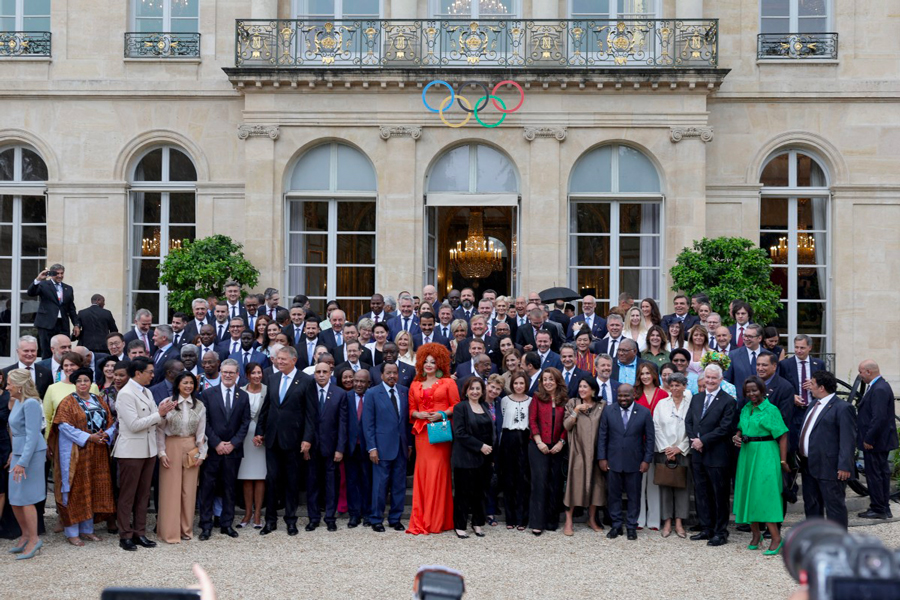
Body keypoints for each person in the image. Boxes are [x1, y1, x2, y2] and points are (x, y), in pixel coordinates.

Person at [113, 357, 177, 551]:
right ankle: (125, 534)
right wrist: (159, 414)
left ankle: (140, 532)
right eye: (149, 371)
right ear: (138, 373)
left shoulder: (147, 391)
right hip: (131, 451)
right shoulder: (125, 394)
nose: (153, 374)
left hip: (148, 449)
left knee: (142, 495)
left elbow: (151, 421)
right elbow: (134, 425)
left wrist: (162, 414)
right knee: (127, 495)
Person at [48, 367, 116, 546]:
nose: (83, 384)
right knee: (75, 488)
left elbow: (111, 421)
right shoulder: (68, 402)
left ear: (91, 382)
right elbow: (63, 426)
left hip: (98, 452)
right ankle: (72, 532)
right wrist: (88, 437)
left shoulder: (98, 399)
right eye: (79, 381)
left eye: (86, 380)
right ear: (74, 383)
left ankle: (87, 530)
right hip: (76, 451)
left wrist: (106, 435)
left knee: (92, 487)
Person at [254, 346, 315, 536]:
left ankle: (290, 520)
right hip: (272, 439)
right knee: (271, 480)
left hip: (294, 440)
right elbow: (267, 408)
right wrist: (259, 431)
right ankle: (270, 521)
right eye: (277, 359)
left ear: (294, 360)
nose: (279, 362)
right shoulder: (272, 379)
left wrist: (307, 439)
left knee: (291, 482)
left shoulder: (306, 381)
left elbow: (311, 414)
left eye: (283, 359)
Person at [732, 376, 789, 555]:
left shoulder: (771, 410)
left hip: (766, 454)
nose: (751, 394)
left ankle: (776, 537)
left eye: (754, 390)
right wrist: (737, 435)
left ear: (762, 390)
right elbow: (741, 428)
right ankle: (756, 535)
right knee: (747, 493)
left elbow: (783, 435)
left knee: (765, 495)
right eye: (748, 391)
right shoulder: (746, 409)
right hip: (747, 455)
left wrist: (783, 460)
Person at [407, 343, 459, 535]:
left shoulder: (448, 383)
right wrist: (418, 415)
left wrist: (442, 414)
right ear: (421, 362)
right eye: (426, 361)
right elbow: (410, 410)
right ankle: (423, 518)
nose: (429, 364)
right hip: (421, 434)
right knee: (423, 475)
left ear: (440, 363)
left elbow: (456, 406)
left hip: (440, 434)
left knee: (438, 473)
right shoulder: (415, 384)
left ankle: (437, 520)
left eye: (433, 361)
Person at [684, 364, 736, 547]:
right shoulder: (697, 398)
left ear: (720, 380)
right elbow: (688, 421)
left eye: (714, 378)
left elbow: (726, 428)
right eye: (708, 377)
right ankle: (706, 528)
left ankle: (720, 531)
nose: (711, 381)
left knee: (719, 495)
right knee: (701, 492)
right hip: (697, 454)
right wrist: (694, 440)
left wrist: (703, 441)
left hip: (717, 455)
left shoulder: (728, 401)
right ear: (703, 378)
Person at [799, 370, 856, 529]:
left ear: (822, 387)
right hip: (809, 465)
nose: (809, 387)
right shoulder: (813, 404)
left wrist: (844, 465)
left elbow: (848, 439)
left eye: (812, 384)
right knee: (811, 505)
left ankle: (838, 544)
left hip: (830, 467)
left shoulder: (843, 408)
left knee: (834, 507)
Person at [597, 383, 654, 541]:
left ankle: (631, 526)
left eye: (626, 395)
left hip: (635, 462)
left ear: (633, 394)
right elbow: (603, 436)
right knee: (613, 495)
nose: (623, 398)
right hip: (613, 460)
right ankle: (616, 525)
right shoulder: (608, 410)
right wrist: (602, 458)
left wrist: (646, 460)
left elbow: (650, 439)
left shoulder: (644, 412)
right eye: (620, 395)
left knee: (634, 496)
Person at [156, 371, 207, 543]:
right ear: (178, 384)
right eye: (185, 382)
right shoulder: (166, 403)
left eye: (191, 383)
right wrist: (161, 452)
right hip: (171, 446)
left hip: (191, 447)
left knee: (189, 491)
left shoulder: (199, 405)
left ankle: (186, 530)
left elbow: (201, 433)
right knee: (170, 491)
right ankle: (170, 533)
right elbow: (159, 430)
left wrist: (202, 453)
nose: (188, 386)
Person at [363, 362, 411, 532]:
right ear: (382, 374)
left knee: (399, 485)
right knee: (380, 486)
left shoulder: (404, 391)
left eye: (395, 373)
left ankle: (395, 518)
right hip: (381, 448)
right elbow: (368, 424)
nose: (392, 376)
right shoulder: (372, 393)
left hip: (401, 447)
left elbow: (406, 421)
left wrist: (409, 444)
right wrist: (372, 448)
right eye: (388, 373)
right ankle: (376, 518)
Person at [6, 369, 47, 559]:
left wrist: (22, 461)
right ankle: (24, 535)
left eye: (9, 383)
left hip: (31, 455)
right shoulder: (17, 401)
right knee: (15, 497)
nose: (7, 387)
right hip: (19, 453)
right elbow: (16, 432)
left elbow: (32, 435)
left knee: (26, 498)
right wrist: (14, 454)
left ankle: (33, 539)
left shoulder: (31, 403)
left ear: (20, 386)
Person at [306, 361, 348, 532]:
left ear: (331, 372)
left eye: (325, 371)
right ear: (314, 374)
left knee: (331, 484)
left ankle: (330, 517)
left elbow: (343, 424)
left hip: (331, 448)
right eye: (318, 372)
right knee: (312, 483)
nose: (321, 375)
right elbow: (304, 419)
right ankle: (313, 518)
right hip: (312, 446)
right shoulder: (308, 392)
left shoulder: (339, 393)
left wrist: (340, 449)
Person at [451, 377, 495, 539]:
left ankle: (477, 523)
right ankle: (460, 525)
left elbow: (491, 431)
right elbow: (460, 433)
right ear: (466, 391)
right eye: (472, 389)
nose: (475, 391)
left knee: (480, 493)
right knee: (464, 493)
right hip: (466, 458)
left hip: (484, 459)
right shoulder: (460, 408)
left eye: (478, 388)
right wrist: (480, 446)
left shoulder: (485, 406)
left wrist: (490, 452)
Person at [855, 360, 898, 520]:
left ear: (868, 372)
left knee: (875, 475)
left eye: (860, 372)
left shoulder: (879, 388)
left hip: (875, 442)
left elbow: (878, 418)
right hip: (879, 441)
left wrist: (868, 438)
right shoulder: (878, 386)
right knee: (880, 474)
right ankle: (883, 507)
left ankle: (879, 508)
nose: (859, 375)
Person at [562, 377, 605, 536]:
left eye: (585, 386)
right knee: (574, 485)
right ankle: (569, 521)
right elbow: (566, 426)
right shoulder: (573, 403)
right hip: (577, 452)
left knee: (596, 487)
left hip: (595, 453)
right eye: (580, 386)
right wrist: (576, 410)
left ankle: (592, 519)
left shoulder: (602, 406)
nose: (581, 389)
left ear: (593, 389)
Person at [528, 368, 568, 535]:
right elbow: (532, 420)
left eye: (551, 379)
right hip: (538, 446)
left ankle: (552, 521)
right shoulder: (537, 398)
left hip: (558, 446)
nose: (548, 382)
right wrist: (539, 442)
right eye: (545, 379)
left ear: (557, 380)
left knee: (555, 483)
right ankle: (537, 522)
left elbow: (568, 423)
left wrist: (561, 441)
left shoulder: (565, 400)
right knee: (540, 482)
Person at [653, 372, 692, 539]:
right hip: (664, 451)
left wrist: (680, 448)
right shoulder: (662, 404)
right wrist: (667, 448)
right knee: (665, 487)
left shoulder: (691, 403)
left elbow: (692, 426)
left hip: (683, 450)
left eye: (678, 385)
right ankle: (667, 521)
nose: (675, 388)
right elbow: (656, 426)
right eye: (672, 385)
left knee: (682, 487)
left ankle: (679, 522)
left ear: (685, 386)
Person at [634, 361, 668, 530]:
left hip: (658, 442)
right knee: (639, 481)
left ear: (654, 375)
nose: (645, 377)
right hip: (638, 442)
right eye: (642, 374)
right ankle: (639, 519)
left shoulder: (663, 394)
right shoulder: (635, 394)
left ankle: (654, 519)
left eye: (648, 373)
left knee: (654, 481)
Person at [43, 352, 101, 440]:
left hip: (88, 437)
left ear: (79, 366)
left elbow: (99, 413)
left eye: (72, 365)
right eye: (65, 365)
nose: (69, 368)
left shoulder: (92, 387)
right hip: (61, 438)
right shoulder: (52, 388)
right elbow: (47, 418)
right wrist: (47, 441)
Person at [27, 264, 80, 359]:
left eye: (61, 273)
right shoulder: (43, 284)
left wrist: (76, 324)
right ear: (51, 274)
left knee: (65, 351)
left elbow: (71, 308)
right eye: (57, 273)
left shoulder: (68, 288)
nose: (60, 276)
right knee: (47, 352)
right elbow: (31, 293)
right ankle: (47, 372)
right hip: (46, 324)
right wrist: (38, 279)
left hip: (62, 324)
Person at [237, 362, 267, 529]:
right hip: (244, 436)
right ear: (247, 375)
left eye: (259, 372)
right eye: (253, 373)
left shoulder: (267, 390)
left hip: (261, 437)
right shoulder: (240, 392)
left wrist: (262, 435)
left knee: (260, 475)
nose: (257, 376)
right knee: (246, 476)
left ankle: (258, 514)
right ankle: (248, 512)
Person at [345, 369, 373, 528]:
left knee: (367, 481)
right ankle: (354, 515)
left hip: (368, 447)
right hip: (350, 447)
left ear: (368, 383)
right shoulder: (346, 396)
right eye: (356, 381)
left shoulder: (373, 396)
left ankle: (367, 513)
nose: (358, 384)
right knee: (352, 481)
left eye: (362, 381)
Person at [724, 323, 765, 402]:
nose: (746, 339)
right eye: (745, 336)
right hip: (740, 403)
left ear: (759, 338)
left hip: (763, 404)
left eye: (750, 336)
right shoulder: (733, 355)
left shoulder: (768, 356)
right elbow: (727, 380)